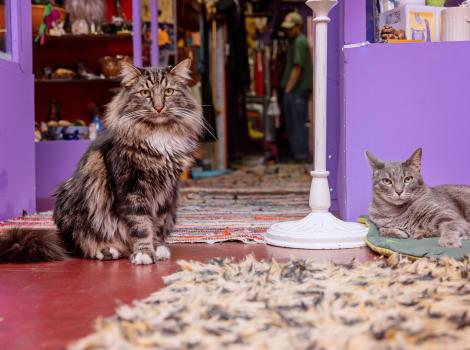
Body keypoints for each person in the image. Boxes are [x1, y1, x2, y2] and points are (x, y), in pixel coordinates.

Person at [280, 11, 313, 162]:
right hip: (297, 89)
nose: (288, 31)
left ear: (299, 26)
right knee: (297, 122)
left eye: (291, 27)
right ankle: (299, 154)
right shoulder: (299, 41)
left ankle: (300, 155)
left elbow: (297, 67)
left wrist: (288, 89)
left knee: (297, 123)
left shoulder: (299, 41)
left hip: (296, 90)